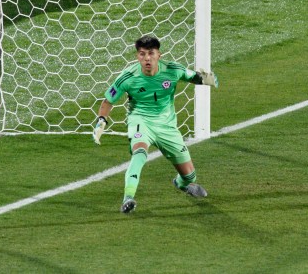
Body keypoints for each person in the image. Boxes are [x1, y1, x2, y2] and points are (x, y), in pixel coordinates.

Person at [93, 35, 219, 214]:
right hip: (140, 120)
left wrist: (206, 79)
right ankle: (128, 198)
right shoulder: (128, 77)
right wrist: (101, 122)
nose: (147, 58)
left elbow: (192, 76)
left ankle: (181, 184)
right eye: (142, 54)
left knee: (189, 176)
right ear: (137, 56)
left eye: (151, 53)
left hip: (166, 126)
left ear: (159, 55)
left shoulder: (172, 70)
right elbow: (108, 101)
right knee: (139, 153)